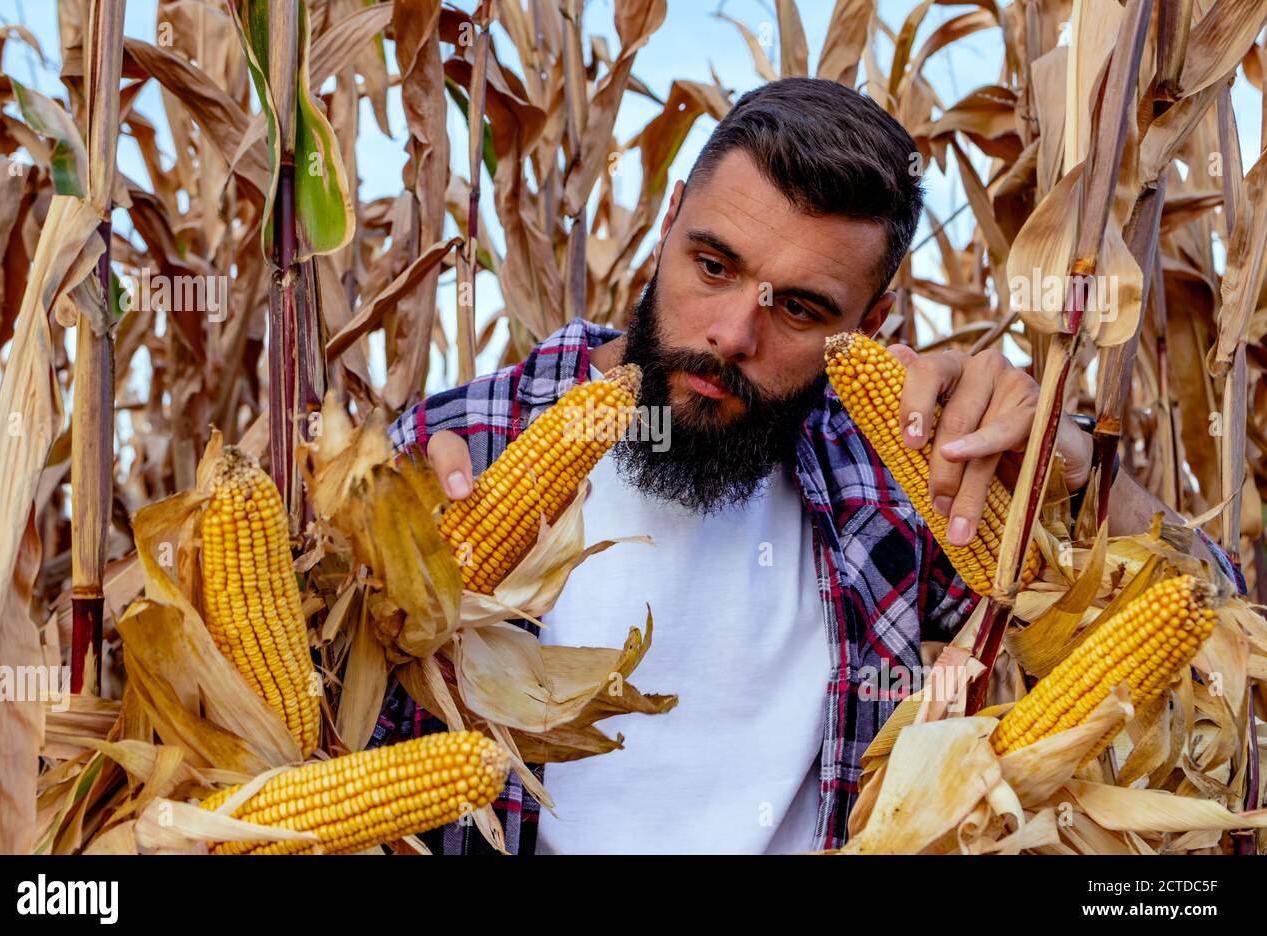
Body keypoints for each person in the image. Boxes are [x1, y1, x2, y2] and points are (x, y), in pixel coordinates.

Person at [367, 77, 1241, 854]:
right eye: (713, 266)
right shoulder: (456, 445)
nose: (733, 336)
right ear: (669, 218)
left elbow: (1215, 625)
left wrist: (1075, 467)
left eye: (802, 308)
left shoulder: (899, 483)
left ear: (874, 317)